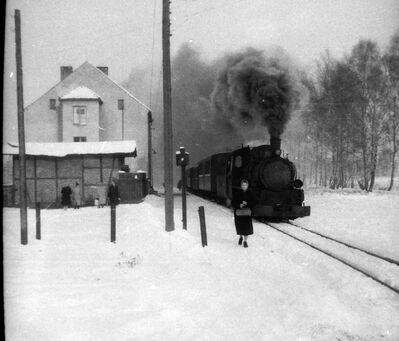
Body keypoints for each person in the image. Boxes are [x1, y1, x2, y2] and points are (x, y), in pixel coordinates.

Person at [232, 179, 256, 248]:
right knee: (240, 227)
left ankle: (245, 241)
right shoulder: (237, 193)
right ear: (241, 186)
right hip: (239, 213)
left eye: (245, 185)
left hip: (247, 214)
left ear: (247, 186)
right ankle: (240, 237)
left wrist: (247, 203)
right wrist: (239, 205)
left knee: (247, 228)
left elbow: (255, 202)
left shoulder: (251, 193)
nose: (244, 186)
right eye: (243, 185)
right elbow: (232, 202)